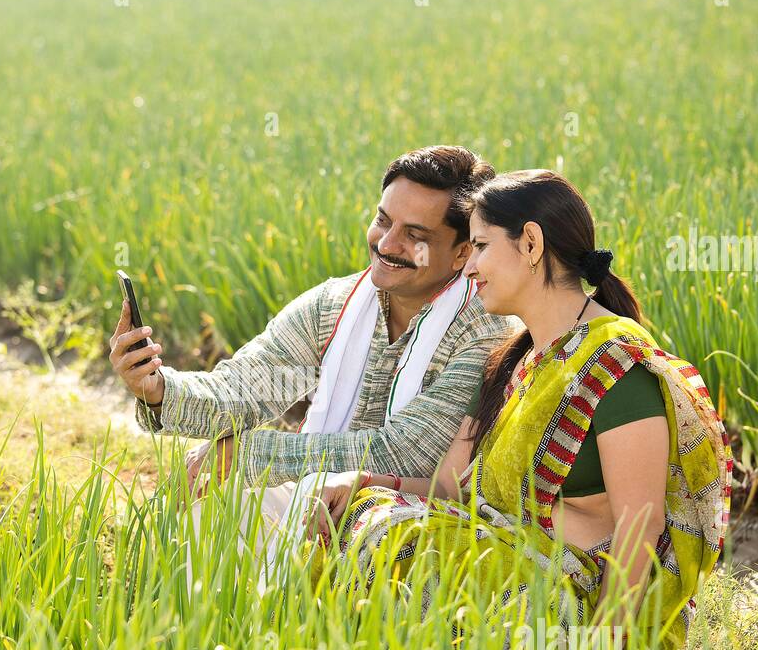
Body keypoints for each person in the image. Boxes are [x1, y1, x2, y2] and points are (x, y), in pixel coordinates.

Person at [302, 170, 733, 650]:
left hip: (564, 604)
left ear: (530, 243)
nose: (470, 268)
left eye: (482, 247)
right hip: (498, 566)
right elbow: (452, 487)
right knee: (365, 511)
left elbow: (641, 523)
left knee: (403, 539)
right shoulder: (513, 361)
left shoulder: (618, 369)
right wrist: (365, 480)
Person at [108, 146, 512, 496]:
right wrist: (157, 388)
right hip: (315, 495)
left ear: (463, 252)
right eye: (384, 221)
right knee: (193, 514)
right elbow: (248, 386)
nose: (387, 244)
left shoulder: (484, 330)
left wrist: (248, 454)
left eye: (415, 235)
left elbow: (404, 454)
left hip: (399, 514)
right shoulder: (335, 305)